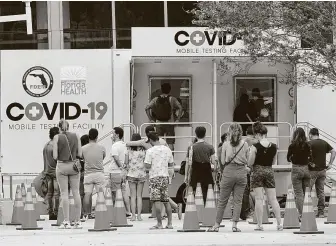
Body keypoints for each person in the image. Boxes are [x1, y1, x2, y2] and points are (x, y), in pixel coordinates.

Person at [126, 125, 182, 219]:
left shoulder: (146, 145)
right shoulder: (164, 143)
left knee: (157, 196)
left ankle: (165, 214)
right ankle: (166, 216)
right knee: (164, 195)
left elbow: (129, 143)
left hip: (155, 173)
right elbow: (170, 158)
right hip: (166, 171)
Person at [208, 123, 249, 232]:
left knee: (222, 200)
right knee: (238, 201)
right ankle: (235, 225)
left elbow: (222, 161)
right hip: (241, 172)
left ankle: (216, 225)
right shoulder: (245, 144)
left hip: (228, 172)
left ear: (229, 132)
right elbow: (248, 160)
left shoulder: (225, 144)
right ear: (241, 132)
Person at [248, 122, 282, 231]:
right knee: (273, 198)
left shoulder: (254, 147)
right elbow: (274, 161)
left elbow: (250, 162)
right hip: (269, 170)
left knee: (259, 198)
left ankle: (259, 225)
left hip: (257, 171)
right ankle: (279, 223)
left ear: (257, 134)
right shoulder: (274, 146)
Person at [53, 119, 82, 229]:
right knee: (76, 192)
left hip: (62, 166)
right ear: (68, 127)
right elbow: (79, 153)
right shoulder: (76, 136)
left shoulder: (57, 137)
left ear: (59, 127)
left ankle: (66, 221)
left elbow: (55, 156)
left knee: (64, 193)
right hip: (74, 166)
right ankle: (78, 221)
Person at [144, 132, 174, 229]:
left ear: (151, 140)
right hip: (164, 176)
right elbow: (171, 163)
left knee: (156, 201)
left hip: (154, 177)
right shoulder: (167, 149)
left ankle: (159, 224)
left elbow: (147, 166)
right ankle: (169, 224)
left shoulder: (150, 151)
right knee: (166, 200)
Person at [145, 82, 183, 151]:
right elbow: (180, 107)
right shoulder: (172, 99)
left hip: (159, 123)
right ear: (169, 90)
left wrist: (151, 119)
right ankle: (171, 159)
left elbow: (147, 108)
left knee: (158, 141)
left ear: (161, 90)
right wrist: (178, 119)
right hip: (170, 123)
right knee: (170, 143)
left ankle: (160, 158)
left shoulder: (155, 99)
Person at [308, 128, 336, 218]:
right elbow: (333, 151)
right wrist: (330, 164)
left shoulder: (309, 143)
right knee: (321, 192)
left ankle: (307, 211)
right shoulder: (324, 143)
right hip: (322, 171)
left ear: (311, 134)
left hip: (312, 171)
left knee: (307, 190)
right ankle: (321, 213)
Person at [104, 127, 131, 217]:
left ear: (117, 135)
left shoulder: (115, 146)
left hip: (115, 172)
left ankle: (118, 211)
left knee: (115, 192)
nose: (111, 135)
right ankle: (128, 211)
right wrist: (124, 168)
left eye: (113, 133)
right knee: (123, 191)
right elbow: (127, 157)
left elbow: (116, 158)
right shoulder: (124, 145)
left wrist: (120, 167)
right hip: (123, 173)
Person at [185, 126, 216, 204]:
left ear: (196, 134)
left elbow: (188, 163)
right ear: (205, 134)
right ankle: (206, 208)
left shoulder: (191, 147)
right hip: (206, 169)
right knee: (207, 190)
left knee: (195, 190)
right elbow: (213, 161)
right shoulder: (210, 147)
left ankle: (197, 208)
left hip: (196, 170)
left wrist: (186, 176)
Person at [81, 128, 106, 221]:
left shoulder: (83, 148)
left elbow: (82, 157)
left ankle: (86, 214)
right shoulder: (102, 147)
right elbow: (103, 157)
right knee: (101, 194)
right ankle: (101, 213)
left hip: (88, 174)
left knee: (87, 194)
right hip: (99, 173)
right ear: (97, 136)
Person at [287, 127, 312, 219]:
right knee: (307, 193)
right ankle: (309, 213)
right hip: (306, 169)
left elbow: (288, 158)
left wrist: (293, 158)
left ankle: (302, 215)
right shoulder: (308, 145)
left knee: (298, 193)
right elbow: (311, 158)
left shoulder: (292, 146)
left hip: (296, 169)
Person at [125, 133, 147, 221]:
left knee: (133, 196)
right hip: (141, 174)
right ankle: (139, 216)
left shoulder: (128, 150)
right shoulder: (143, 150)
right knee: (139, 196)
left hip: (131, 174)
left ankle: (133, 216)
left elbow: (126, 163)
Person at [43, 126, 60, 220]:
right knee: (57, 193)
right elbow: (57, 159)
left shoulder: (46, 145)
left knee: (49, 193)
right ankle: (56, 212)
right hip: (55, 172)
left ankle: (50, 213)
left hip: (47, 171)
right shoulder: (55, 146)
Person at [79, 134, 89, 219]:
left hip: (80, 172)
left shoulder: (79, 150)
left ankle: (81, 212)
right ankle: (88, 212)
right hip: (88, 172)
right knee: (88, 193)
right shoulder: (89, 149)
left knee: (81, 194)